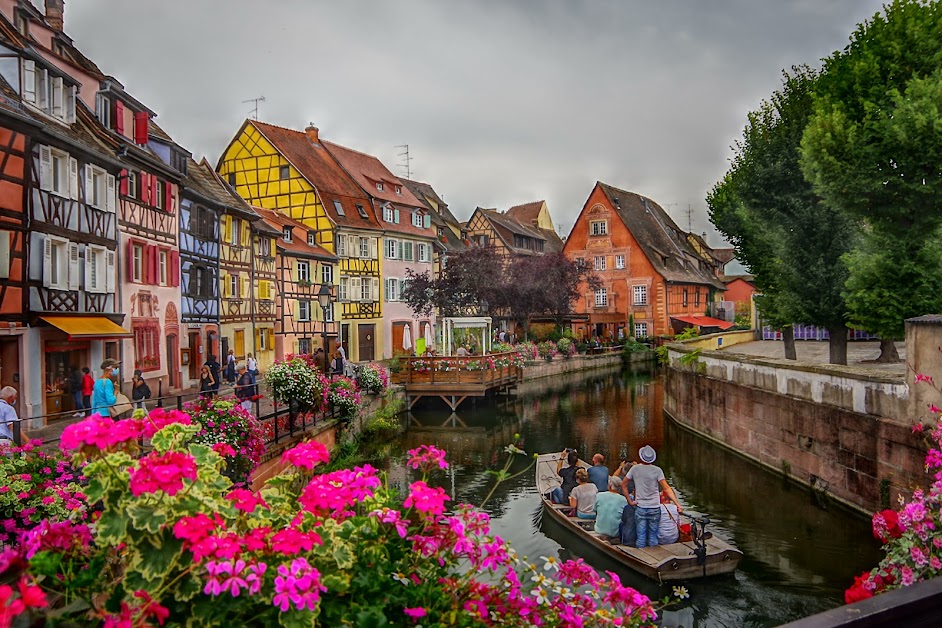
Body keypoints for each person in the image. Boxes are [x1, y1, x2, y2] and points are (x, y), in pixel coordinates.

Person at [626, 445, 682, 548]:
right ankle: (654, 556)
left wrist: (629, 500)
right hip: (655, 507)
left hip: (641, 506)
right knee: (653, 536)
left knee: (641, 536)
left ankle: (641, 557)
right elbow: (666, 488)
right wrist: (677, 503)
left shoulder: (635, 469)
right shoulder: (657, 470)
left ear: (641, 457)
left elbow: (623, 484)